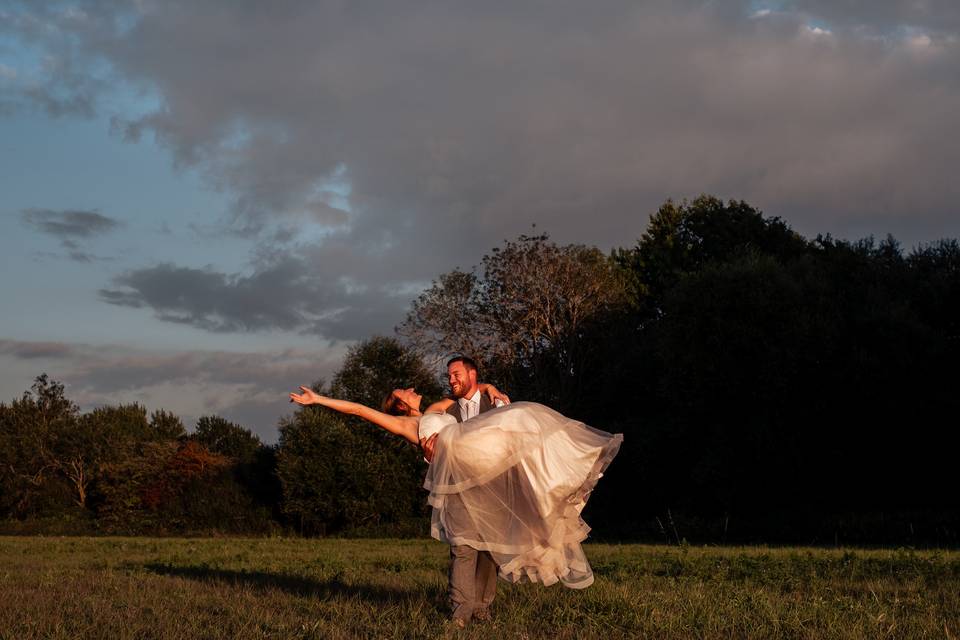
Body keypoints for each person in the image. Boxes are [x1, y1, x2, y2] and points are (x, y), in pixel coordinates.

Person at [289, 366, 622, 627]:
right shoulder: (406, 425)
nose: (411, 388)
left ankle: (482, 607)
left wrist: (489, 387)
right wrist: (318, 399)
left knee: (494, 541)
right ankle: (461, 612)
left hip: (479, 463)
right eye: (404, 391)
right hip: (459, 473)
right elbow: (359, 410)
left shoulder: (437, 408)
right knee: (465, 547)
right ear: (402, 404)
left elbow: (467, 390)